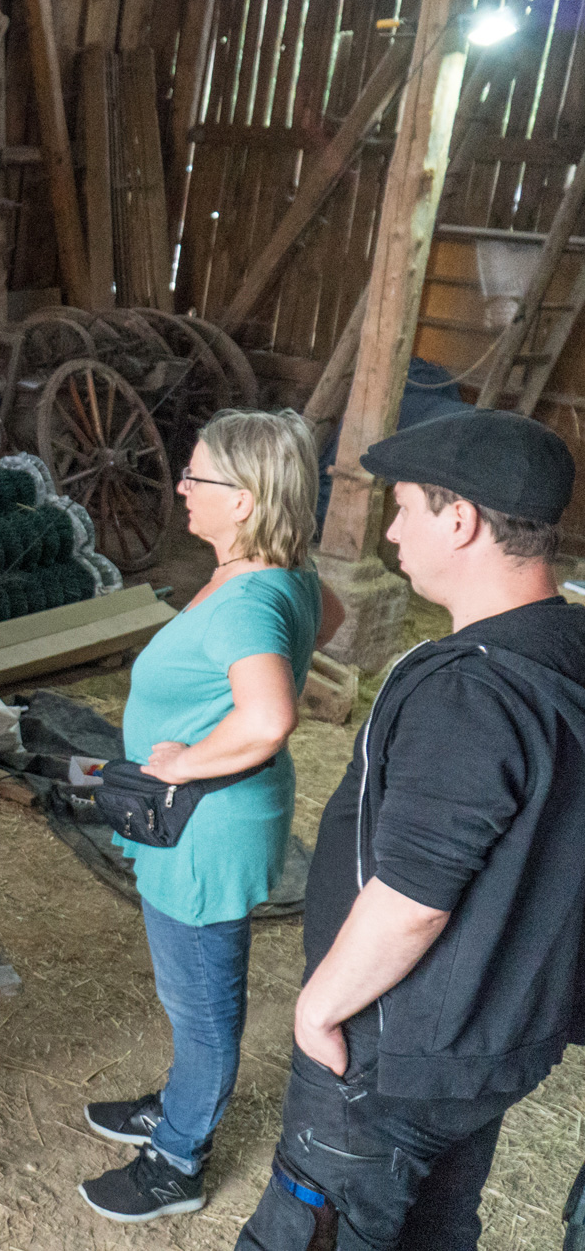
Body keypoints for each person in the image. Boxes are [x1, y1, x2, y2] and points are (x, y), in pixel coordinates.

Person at [237, 408, 585, 1250]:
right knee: (434, 1226)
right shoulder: (569, 643)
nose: (390, 530)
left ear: (459, 517)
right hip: (496, 1035)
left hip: (394, 1052)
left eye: (404, 507)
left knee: (313, 1230)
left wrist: (320, 1006)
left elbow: (416, 897)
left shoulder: (475, 690)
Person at [80, 409, 339, 1224]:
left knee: (201, 1001)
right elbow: (326, 617)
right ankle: (177, 1102)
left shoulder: (246, 601)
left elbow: (267, 719)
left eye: (199, 477)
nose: (182, 486)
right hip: (216, 816)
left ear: (248, 499)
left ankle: (179, 1158)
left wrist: (184, 758)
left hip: (204, 825)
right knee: (189, 983)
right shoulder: (278, 574)